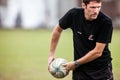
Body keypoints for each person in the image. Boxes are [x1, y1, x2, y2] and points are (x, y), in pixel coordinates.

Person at [48, 0, 113, 80]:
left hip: (100, 71)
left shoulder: (105, 22)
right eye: (92, 7)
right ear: (83, 5)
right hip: (80, 71)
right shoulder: (74, 14)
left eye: (98, 7)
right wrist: (51, 55)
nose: (96, 11)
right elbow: (58, 29)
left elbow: (98, 52)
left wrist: (75, 63)